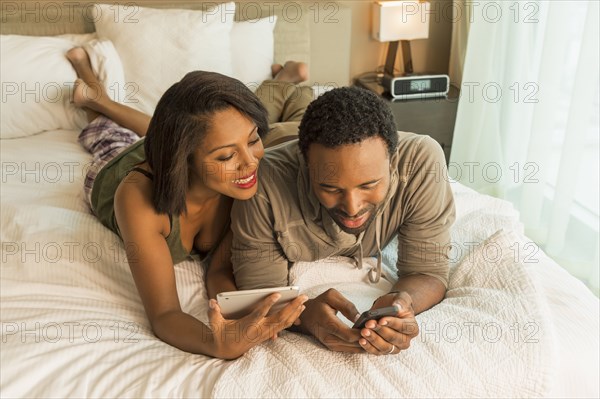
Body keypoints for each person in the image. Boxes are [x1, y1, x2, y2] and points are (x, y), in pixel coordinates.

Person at [66, 47, 313, 359]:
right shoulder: (136, 199)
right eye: (227, 155)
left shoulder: (243, 182)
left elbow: (218, 271)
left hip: (174, 149)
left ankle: (285, 80)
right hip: (112, 172)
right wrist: (214, 342)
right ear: (185, 160)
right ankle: (93, 96)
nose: (250, 163)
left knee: (159, 131)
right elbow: (165, 314)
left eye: (253, 140)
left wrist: (247, 317)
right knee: (107, 135)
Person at [230, 86, 456, 356]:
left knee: (300, 103)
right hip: (280, 136)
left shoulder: (422, 162)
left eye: (369, 184)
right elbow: (261, 294)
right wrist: (304, 317)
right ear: (305, 166)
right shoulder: (263, 184)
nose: (352, 207)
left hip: (308, 136)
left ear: (392, 162)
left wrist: (404, 301)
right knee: (278, 110)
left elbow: (428, 272)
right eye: (331, 188)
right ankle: (286, 80)